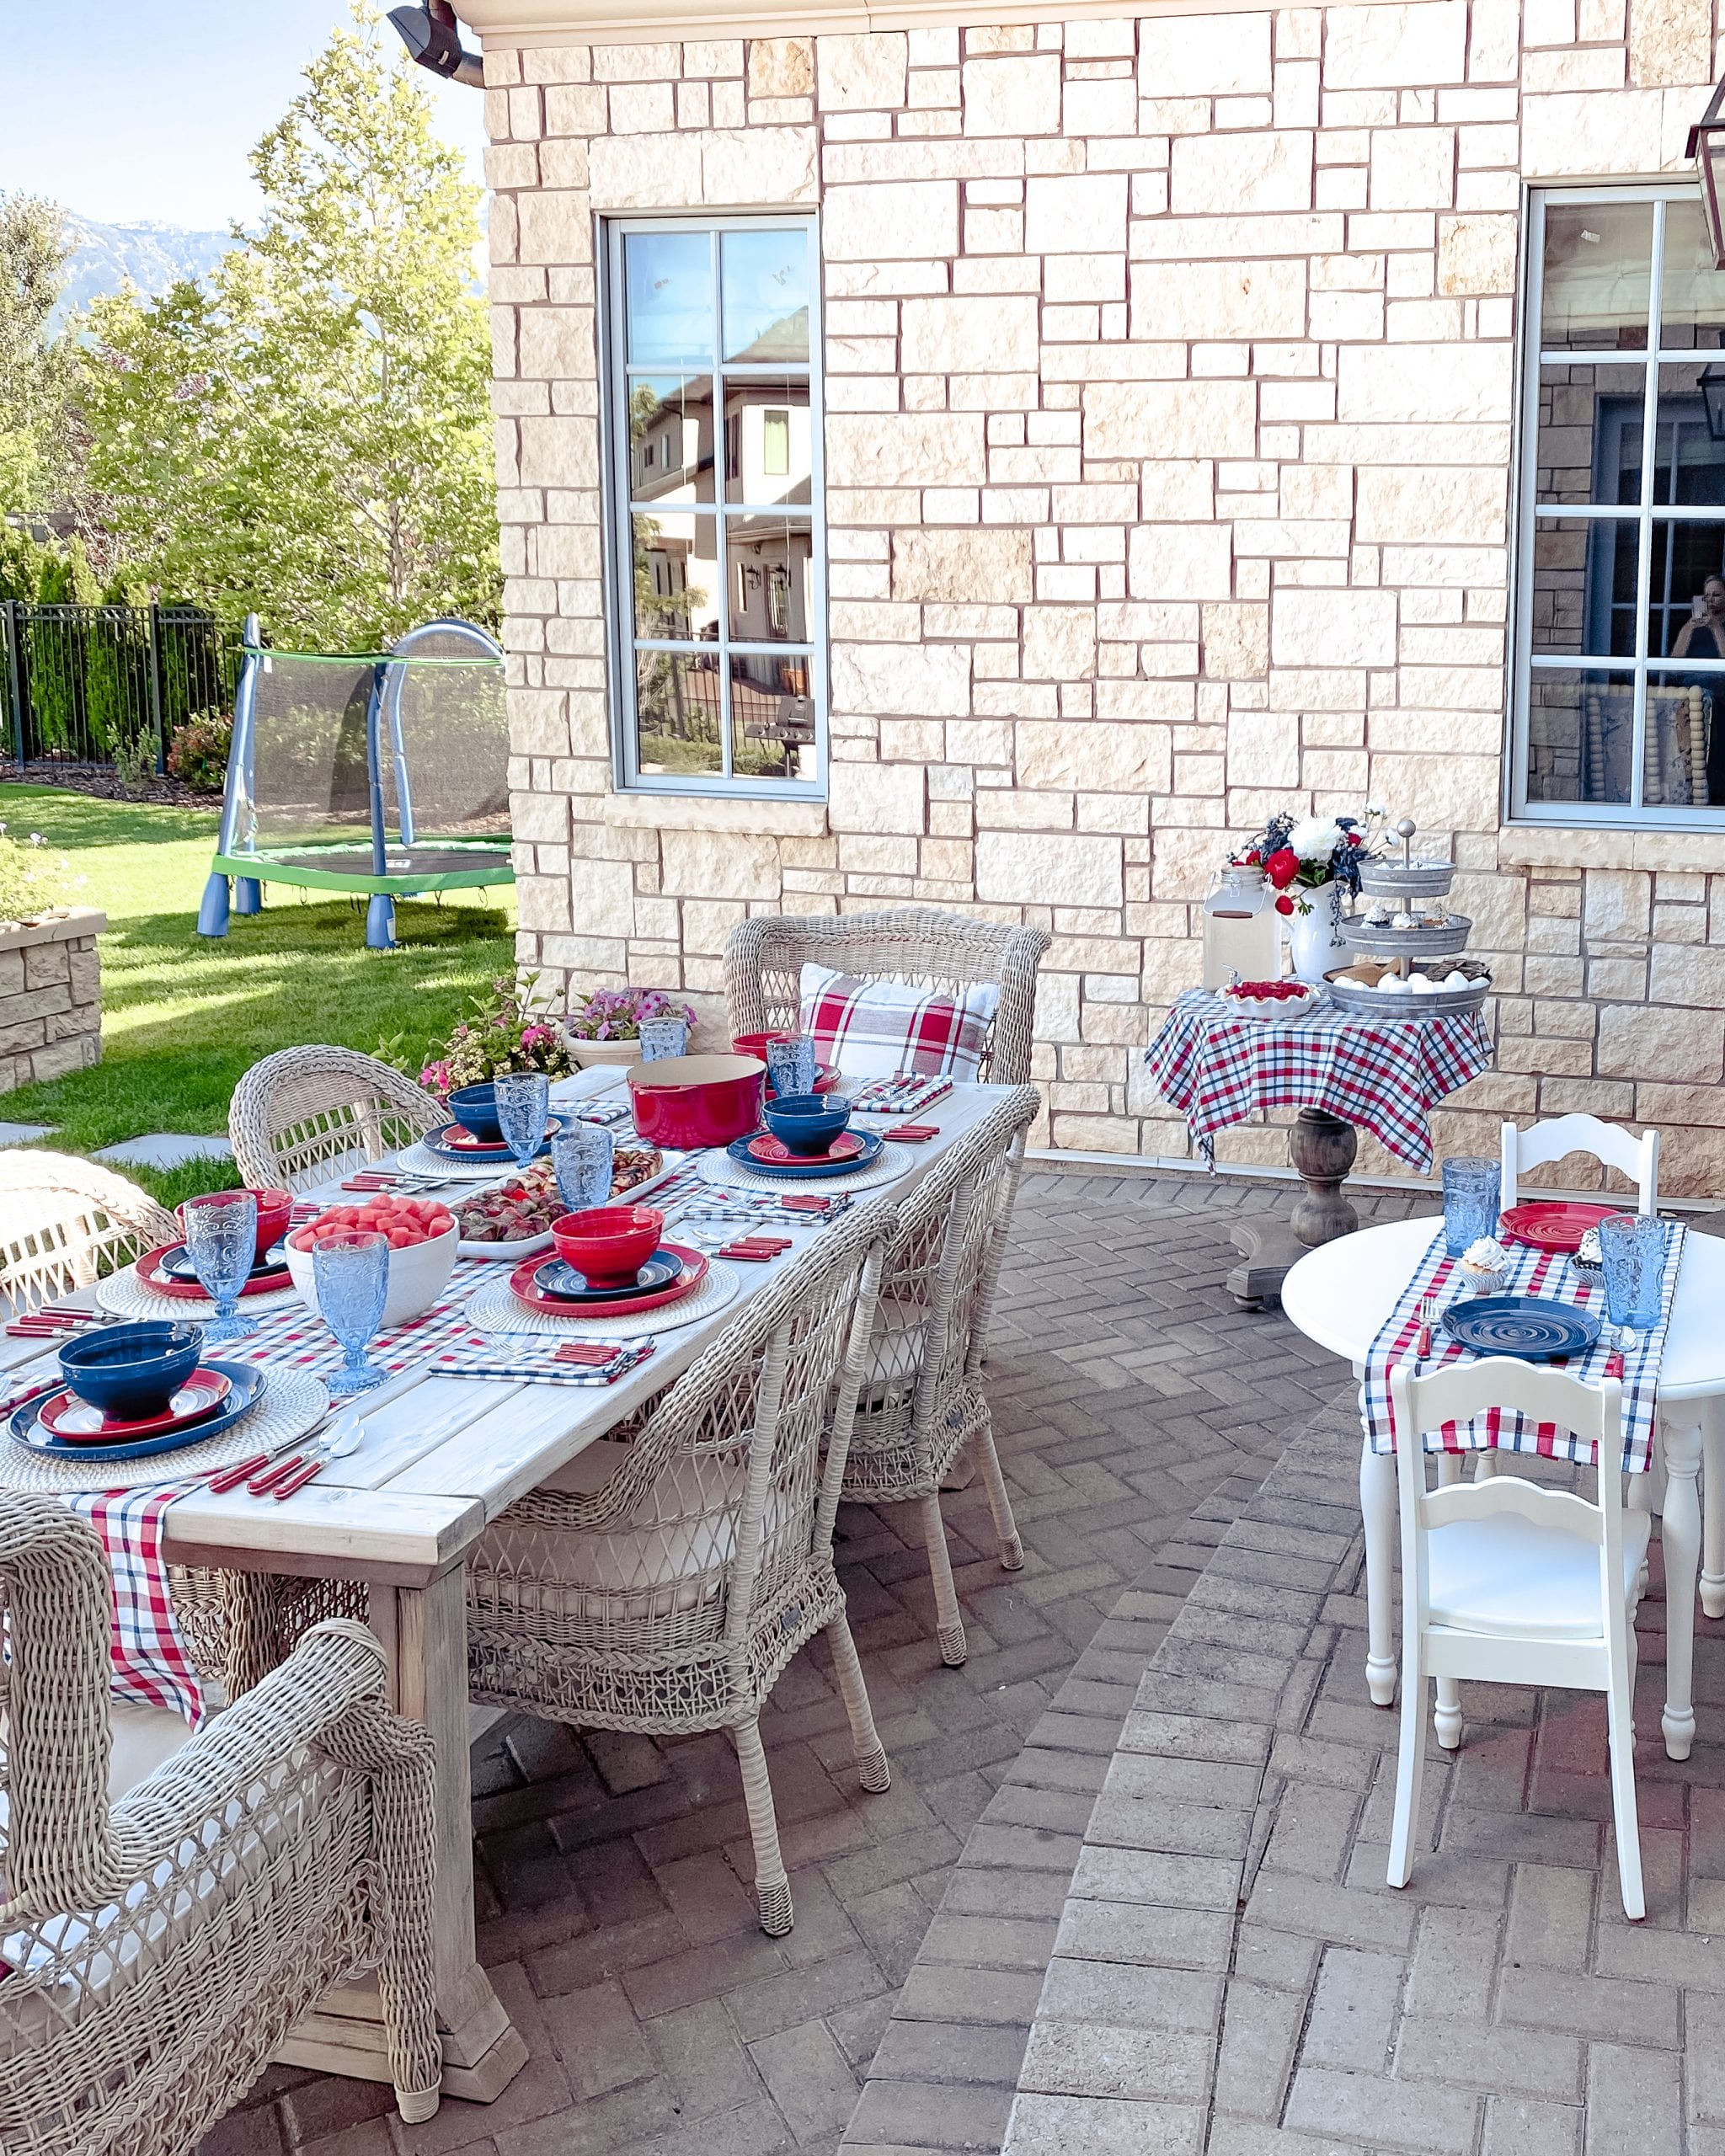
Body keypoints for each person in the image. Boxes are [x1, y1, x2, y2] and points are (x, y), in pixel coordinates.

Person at [1672, 574, 1725, 802]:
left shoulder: (1718, 627)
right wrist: (1687, 629)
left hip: (1719, 699)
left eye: (1717, 595)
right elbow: (1673, 664)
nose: (1711, 600)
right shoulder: (1693, 628)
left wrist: (1716, 628)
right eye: (1706, 596)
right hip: (1690, 697)